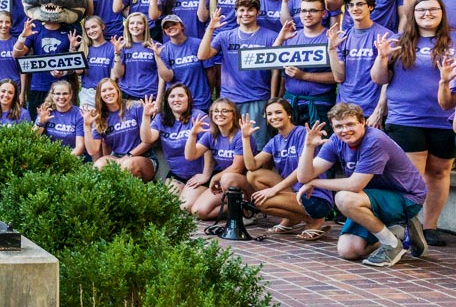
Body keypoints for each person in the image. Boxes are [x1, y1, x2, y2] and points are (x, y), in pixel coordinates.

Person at [298, 103, 429, 266]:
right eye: (339, 126)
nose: (345, 130)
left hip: (406, 197)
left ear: (363, 122)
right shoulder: (337, 141)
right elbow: (304, 176)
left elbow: (354, 185)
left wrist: (315, 182)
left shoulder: (375, 140)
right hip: (369, 198)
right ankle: (400, 232)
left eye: (350, 124)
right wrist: (308, 146)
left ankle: (391, 243)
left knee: (344, 198)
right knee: (349, 251)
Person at [376, 0, 453, 243]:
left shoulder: (453, 42)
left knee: (439, 172)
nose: (427, 13)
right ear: (413, 14)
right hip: (405, 118)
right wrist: (382, 58)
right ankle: (410, 225)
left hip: (444, 117)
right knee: (412, 175)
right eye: (421, 9)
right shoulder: (397, 41)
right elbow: (379, 79)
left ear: (442, 13)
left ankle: (430, 227)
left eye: (433, 9)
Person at [241, 99, 329, 237]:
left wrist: (273, 191)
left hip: (313, 196)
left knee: (262, 203)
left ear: (289, 114)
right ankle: (292, 217)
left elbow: (301, 170)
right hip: (294, 192)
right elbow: (251, 166)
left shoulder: (302, 133)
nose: (274, 117)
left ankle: (314, 220)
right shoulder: (275, 141)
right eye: (269, 114)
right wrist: (245, 138)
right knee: (253, 175)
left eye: (278, 112)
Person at [199, 0, 280, 145]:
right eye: (242, 10)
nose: (246, 13)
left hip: (258, 99)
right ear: (236, 13)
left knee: (257, 146)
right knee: (230, 145)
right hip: (230, 100)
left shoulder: (271, 37)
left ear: (258, 12)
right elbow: (202, 55)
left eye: (250, 10)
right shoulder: (225, 36)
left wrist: (272, 100)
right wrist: (210, 28)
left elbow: (276, 72)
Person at [329, 0, 394, 127]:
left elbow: (388, 79)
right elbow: (339, 77)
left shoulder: (385, 36)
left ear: (370, 7)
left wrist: (379, 110)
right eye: (350, 5)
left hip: (372, 109)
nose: (355, 8)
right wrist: (331, 49)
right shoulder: (342, 37)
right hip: (345, 108)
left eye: (360, 4)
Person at [183, 98, 245, 221]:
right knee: (196, 211)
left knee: (228, 178)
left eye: (225, 111)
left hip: (240, 181)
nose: (219, 114)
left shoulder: (240, 136)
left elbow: (237, 168)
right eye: (215, 111)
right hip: (223, 181)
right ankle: (237, 207)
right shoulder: (211, 135)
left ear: (233, 115)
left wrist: (215, 178)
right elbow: (190, 156)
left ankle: (245, 204)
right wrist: (193, 135)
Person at [140, 85, 206, 195]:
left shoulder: (198, 116)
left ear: (188, 98)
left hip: (199, 173)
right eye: (172, 96)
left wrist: (205, 175)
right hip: (177, 174)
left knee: (185, 206)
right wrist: (146, 116)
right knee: (168, 204)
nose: (176, 99)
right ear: (167, 100)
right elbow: (147, 139)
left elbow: (209, 147)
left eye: (181, 95)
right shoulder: (161, 118)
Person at [84, 77, 153, 179]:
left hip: (144, 157)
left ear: (117, 90)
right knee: (98, 166)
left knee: (127, 165)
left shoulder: (135, 107)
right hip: (117, 157)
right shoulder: (100, 117)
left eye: (111, 89)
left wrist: (129, 155)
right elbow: (92, 151)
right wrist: (87, 126)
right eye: (104, 91)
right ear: (99, 95)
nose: (108, 93)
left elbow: (147, 142)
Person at [11, 14, 77, 112]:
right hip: (38, 86)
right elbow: (16, 54)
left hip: (61, 89)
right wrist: (23, 36)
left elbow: (75, 64)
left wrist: (64, 71)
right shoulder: (35, 31)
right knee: (37, 122)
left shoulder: (68, 32)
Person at [155, 14, 210, 110]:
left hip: (199, 101)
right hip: (177, 103)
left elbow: (210, 71)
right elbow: (168, 77)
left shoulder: (197, 44)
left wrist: (207, 91)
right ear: (164, 31)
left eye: (174, 24)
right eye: (167, 27)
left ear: (182, 26)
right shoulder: (163, 50)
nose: (170, 27)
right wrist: (158, 58)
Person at [34, 78, 84, 154]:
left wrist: (63, 162)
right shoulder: (46, 111)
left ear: (71, 95)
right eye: (57, 93)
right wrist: (40, 123)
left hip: (71, 158)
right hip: (48, 155)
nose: (61, 97)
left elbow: (79, 147)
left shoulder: (79, 114)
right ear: (52, 95)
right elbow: (33, 138)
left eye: (65, 93)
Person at [76, 15, 115, 108]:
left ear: (102, 27)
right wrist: (73, 49)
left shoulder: (111, 48)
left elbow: (114, 76)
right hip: (88, 94)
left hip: (106, 92)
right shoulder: (85, 49)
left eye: (94, 27)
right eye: (88, 29)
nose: (91, 31)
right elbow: (78, 72)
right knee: (88, 122)